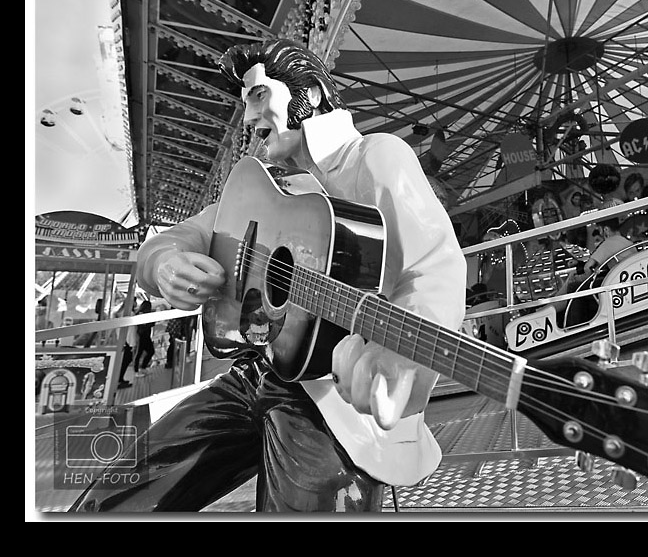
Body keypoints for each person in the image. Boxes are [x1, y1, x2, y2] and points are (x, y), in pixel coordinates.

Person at [70, 38, 466, 513]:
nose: (251, 119)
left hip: (333, 402)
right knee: (113, 497)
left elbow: (434, 268)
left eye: (258, 96)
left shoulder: (374, 159)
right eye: (246, 105)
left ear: (312, 95)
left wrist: (396, 357)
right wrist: (163, 263)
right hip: (253, 375)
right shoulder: (266, 186)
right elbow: (178, 237)